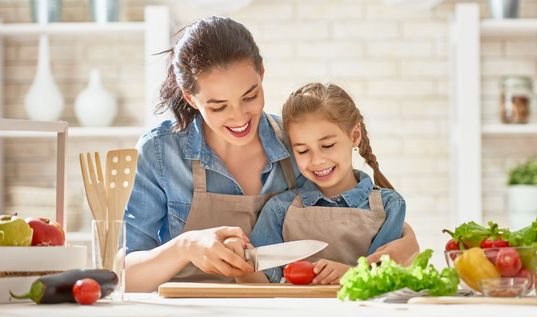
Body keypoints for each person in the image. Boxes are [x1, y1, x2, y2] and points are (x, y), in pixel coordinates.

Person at [124, 16, 418, 292]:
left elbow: (346, 212)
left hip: (273, 307)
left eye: (250, 96)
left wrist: (406, 240)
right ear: (191, 98)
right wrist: (185, 246)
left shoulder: (297, 144)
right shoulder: (160, 151)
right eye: (218, 106)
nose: (239, 117)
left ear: (262, 73)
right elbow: (123, 277)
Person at [240, 83, 416, 285]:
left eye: (327, 145)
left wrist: (351, 274)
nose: (316, 160)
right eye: (303, 151)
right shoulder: (279, 209)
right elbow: (260, 285)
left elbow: (385, 278)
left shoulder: (389, 206)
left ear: (354, 135)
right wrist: (240, 266)